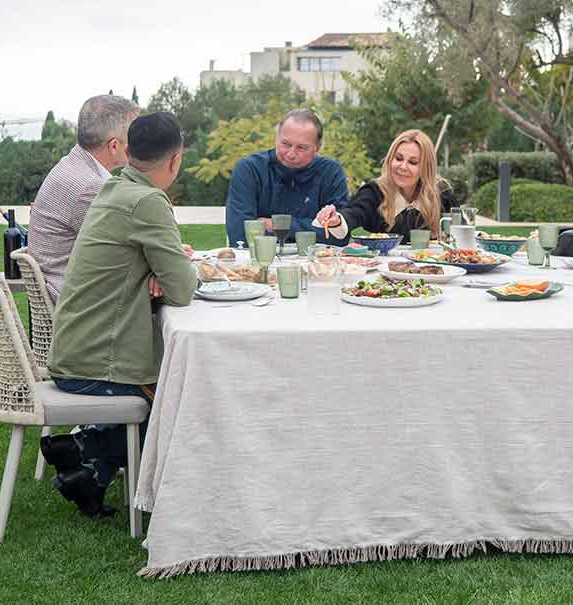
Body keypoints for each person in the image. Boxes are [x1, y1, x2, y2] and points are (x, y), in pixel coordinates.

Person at [42, 112, 198, 517]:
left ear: (128, 151)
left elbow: (148, 262)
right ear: (175, 160)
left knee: (171, 388)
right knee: (182, 395)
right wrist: (170, 269)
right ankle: (84, 451)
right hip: (96, 363)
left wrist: (158, 266)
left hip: (74, 349)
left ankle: (87, 474)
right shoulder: (147, 200)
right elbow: (182, 289)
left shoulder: (117, 186)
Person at [28, 95, 139, 300]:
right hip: (79, 307)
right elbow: (127, 252)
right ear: (114, 145)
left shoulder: (72, 164)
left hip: (67, 291)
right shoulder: (89, 186)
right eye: (136, 135)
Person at [224, 108, 349, 246]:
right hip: (258, 263)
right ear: (276, 138)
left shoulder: (331, 172)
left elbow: (339, 235)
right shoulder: (249, 169)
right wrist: (310, 228)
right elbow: (240, 234)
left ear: (317, 148)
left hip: (316, 265)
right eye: (286, 144)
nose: (291, 153)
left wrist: (278, 226)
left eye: (301, 147)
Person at [313, 129, 456, 243]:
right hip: (383, 274)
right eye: (398, 158)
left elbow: (461, 234)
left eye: (413, 162)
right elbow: (353, 213)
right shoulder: (374, 191)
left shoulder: (442, 193)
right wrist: (336, 220)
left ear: (426, 167)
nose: (402, 166)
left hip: (435, 272)